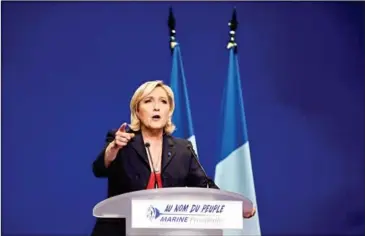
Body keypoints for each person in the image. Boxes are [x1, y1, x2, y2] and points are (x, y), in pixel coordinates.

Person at [91, 80, 255, 236]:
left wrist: (233, 207)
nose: (156, 107)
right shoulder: (121, 140)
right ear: (137, 111)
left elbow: (204, 187)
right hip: (121, 231)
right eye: (148, 101)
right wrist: (113, 148)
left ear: (169, 111)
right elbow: (99, 169)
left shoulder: (183, 149)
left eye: (163, 102)